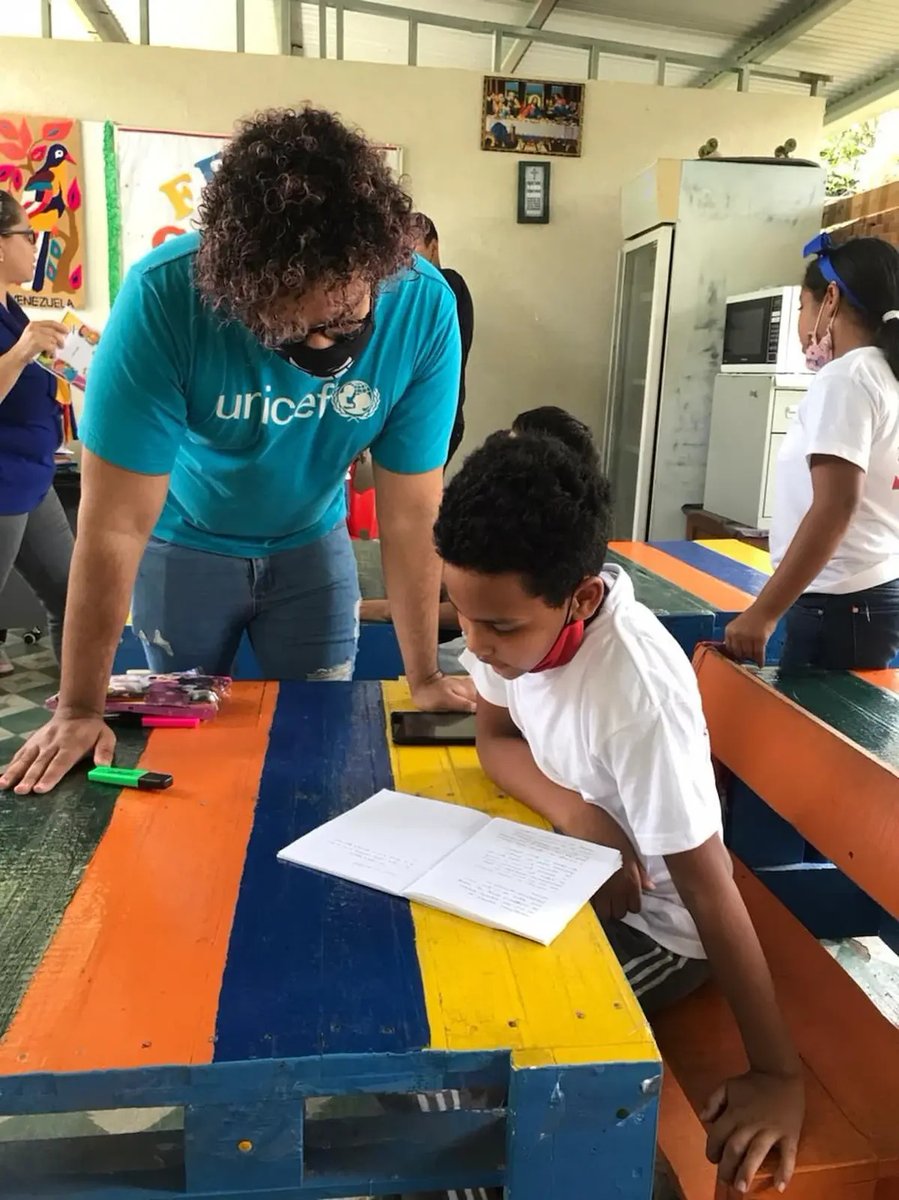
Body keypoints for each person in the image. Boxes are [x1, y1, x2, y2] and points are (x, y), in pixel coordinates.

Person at [1, 107, 474, 797]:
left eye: (343, 322)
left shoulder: (421, 308)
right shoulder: (164, 298)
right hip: (183, 541)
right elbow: (113, 526)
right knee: (176, 756)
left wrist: (425, 676)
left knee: (318, 745)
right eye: (294, 328)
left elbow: (411, 511)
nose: (323, 347)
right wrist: (78, 706)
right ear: (240, 294)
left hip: (312, 543)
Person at [433, 416, 804, 1193]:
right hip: (571, 870)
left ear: (581, 598)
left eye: (496, 626)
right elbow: (495, 739)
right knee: (432, 1021)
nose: (477, 644)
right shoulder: (517, 630)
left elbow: (707, 886)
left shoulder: (633, 692)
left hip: (659, 926)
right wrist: (577, 813)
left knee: (492, 1077)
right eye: (462, 616)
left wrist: (775, 1073)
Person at [726, 234, 899, 670]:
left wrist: (763, 613)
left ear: (831, 300)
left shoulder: (848, 377)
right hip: (870, 595)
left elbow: (836, 505)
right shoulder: (884, 374)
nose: (801, 325)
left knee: (814, 735)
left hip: (840, 605)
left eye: (803, 306)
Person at [0, 191, 73, 668]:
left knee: (73, 596)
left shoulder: (13, 308)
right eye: (28, 235)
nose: (35, 244)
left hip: (34, 476)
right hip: (3, 485)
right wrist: (24, 351)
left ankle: (78, 711)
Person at [414, 215, 473, 463]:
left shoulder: (449, 285)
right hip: (417, 416)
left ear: (433, 247)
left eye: (411, 249)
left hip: (436, 417)